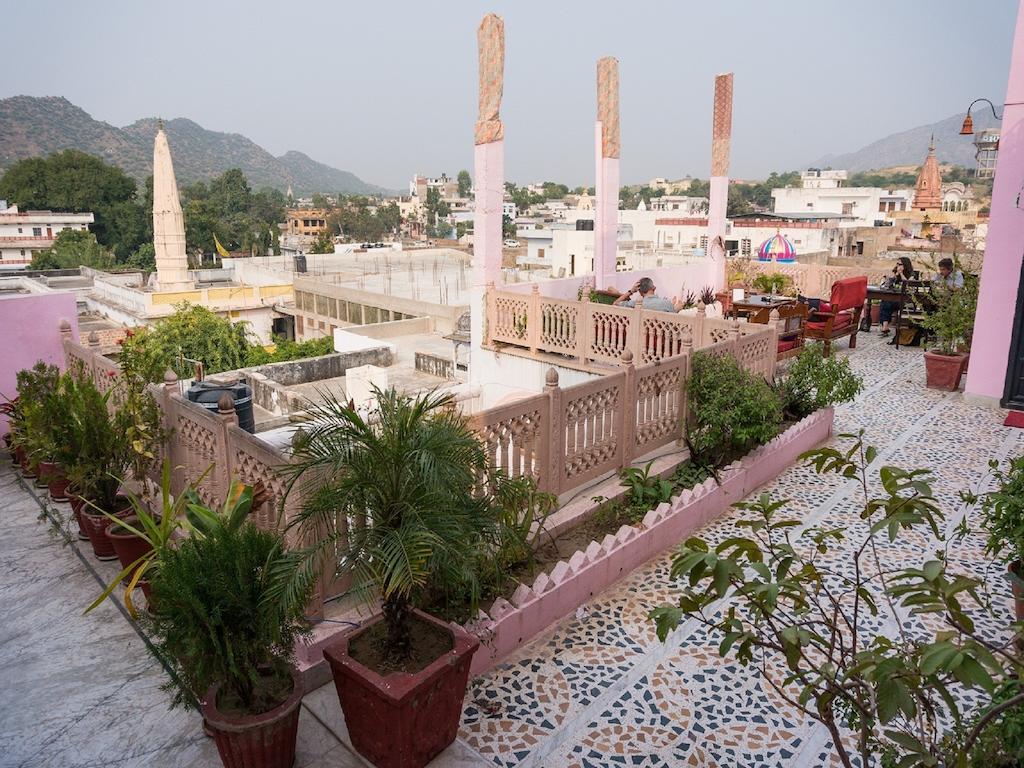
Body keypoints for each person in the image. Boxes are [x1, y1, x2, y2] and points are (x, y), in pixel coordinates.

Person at [879, 256, 915, 337]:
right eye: (897, 264)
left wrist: (901, 274)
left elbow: (908, 286)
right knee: (885, 302)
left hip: (905, 300)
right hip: (894, 298)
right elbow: (888, 285)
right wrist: (895, 275)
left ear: (905, 265)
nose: (898, 266)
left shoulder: (911, 275)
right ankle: (885, 327)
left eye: (900, 264)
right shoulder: (895, 273)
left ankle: (885, 327)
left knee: (887, 303)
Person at [613, 277, 677, 313]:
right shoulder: (666, 303)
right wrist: (676, 308)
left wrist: (631, 291)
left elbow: (615, 303)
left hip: (641, 335)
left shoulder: (634, 304)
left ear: (639, 291)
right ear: (654, 288)